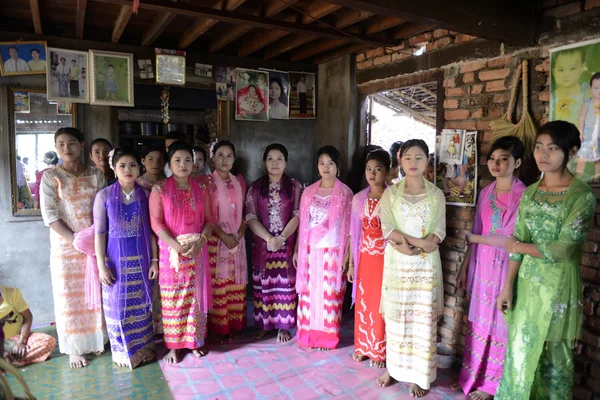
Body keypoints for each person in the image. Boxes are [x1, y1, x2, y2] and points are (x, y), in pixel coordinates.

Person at [495, 121, 596, 399]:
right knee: (519, 353)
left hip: (558, 288)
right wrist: (507, 286)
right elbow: (517, 241)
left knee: (553, 358)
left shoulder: (582, 197)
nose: (543, 154)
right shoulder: (530, 193)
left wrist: (518, 245)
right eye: (539, 147)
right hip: (526, 287)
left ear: (571, 151)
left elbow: (562, 249)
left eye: (552, 149)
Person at [455, 136, 526, 400]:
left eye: (503, 159)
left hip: (508, 269)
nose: (496, 164)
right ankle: (472, 376)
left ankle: (492, 385)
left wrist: (475, 239)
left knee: (501, 325)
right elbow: (475, 231)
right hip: (482, 267)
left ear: (517, 162)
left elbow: (509, 239)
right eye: (492, 159)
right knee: (480, 324)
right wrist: (464, 268)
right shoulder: (485, 193)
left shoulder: (525, 196)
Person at [377, 139, 446, 397]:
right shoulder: (391, 193)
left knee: (421, 320)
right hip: (398, 261)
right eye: (407, 158)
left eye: (419, 157)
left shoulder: (436, 194)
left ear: (427, 161)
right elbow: (387, 229)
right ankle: (393, 369)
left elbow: (439, 231)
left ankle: (419, 375)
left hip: (425, 268)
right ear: (400, 161)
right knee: (397, 318)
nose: (413, 163)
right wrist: (417, 245)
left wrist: (425, 246)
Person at [40, 127, 107, 368]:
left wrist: (92, 240)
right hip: (65, 249)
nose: (66, 149)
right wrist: (75, 240)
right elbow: (49, 215)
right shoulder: (51, 177)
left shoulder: (96, 174)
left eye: (71, 143)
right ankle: (74, 349)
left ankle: (96, 340)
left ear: (82, 145)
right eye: (60, 145)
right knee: (69, 298)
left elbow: (103, 209)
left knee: (94, 295)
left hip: (94, 245)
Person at [149, 141, 214, 363]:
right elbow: (156, 223)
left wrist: (200, 243)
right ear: (169, 163)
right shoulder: (159, 189)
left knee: (195, 299)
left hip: (197, 252)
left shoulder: (201, 189)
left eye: (188, 160)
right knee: (174, 300)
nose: (183, 164)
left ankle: (194, 342)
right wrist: (175, 246)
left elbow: (209, 221)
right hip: (171, 255)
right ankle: (174, 346)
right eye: (177, 160)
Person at [93, 148, 157, 368]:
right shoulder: (104, 196)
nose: (128, 170)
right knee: (118, 307)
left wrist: (155, 261)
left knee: (141, 304)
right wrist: (101, 266)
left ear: (139, 167)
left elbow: (151, 231)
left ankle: (144, 349)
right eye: (122, 165)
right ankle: (122, 352)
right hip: (115, 262)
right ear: (113, 167)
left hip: (141, 260)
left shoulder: (146, 194)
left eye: (132, 165)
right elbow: (99, 234)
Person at [295, 145, 353, 350]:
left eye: (330, 163)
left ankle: (327, 339)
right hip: (310, 253)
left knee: (329, 296)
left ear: (337, 166)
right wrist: (296, 251)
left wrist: (348, 256)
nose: (325, 167)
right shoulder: (309, 192)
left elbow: (350, 229)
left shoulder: (346, 193)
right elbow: (303, 225)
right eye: (322, 163)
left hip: (333, 253)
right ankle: (308, 337)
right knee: (310, 296)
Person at [246, 144, 302, 343]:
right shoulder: (255, 187)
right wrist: (270, 239)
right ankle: (264, 325)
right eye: (270, 158)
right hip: (263, 246)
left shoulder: (295, 186)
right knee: (263, 286)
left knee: (285, 286)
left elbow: (298, 215)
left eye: (279, 159)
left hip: (286, 244)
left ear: (286, 162)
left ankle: (283, 326)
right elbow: (251, 217)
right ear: (264, 162)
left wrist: (281, 238)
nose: (275, 163)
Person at [347, 149, 390, 368]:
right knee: (364, 303)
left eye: (378, 169)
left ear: (388, 172)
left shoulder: (393, 198)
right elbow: (355, 234)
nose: (372, 174)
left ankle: (379, 351)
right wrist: (352, 264)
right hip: (364, 258)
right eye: (369, 169)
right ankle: (362, 346)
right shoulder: (358, 198)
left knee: (380, 303)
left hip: (385, 259)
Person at [204, 140, 248, 343]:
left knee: (235, 285)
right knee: (219, 285)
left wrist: (238, 235)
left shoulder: (240, 182)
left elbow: (248, 213)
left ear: (234, 159)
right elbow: (205, 217)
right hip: (215, 242)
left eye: (229, 155)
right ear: (212, 158)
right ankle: (220, 329)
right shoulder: (205, 183)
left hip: (237, 241)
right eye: (220, 155)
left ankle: (235, 326)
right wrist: (224, 236)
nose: (224, 160)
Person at [0, 286, 56, 367]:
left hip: (18, 337)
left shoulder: (12, 293)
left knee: (48, 341)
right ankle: (14, 359)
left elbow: (27, 316)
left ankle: (9, 362)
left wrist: (22, 341)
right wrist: (2, 351)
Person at [551, 48, 588, 126]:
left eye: (572, 69)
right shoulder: (552, 97)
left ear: (582, 68)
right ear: (554, 72)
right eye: (561, 70)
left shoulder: (588, 91)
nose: (566, 75)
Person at [574, 72, 600, 181]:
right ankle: (578, 175)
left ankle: (597, 176)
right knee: (582, 157)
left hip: (599, 135)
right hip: (588, 133)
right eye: (596, 88)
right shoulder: (587, 103)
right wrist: (580, 131)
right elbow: (582, 118)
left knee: (598, 158)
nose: (599, 91)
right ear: (590, 89)